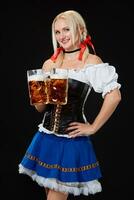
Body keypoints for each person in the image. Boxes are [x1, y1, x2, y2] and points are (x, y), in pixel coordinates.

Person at [18, 10, 121, 200]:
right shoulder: (50, 64)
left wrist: (93, 127)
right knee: (49, 195)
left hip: (70, 140)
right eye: (57, 32)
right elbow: (41, 109)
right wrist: (38, 94)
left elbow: (114, 96)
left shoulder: (90, 62)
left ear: (80, 30)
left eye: (66, 29)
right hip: (45, 138)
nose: (61, 36)